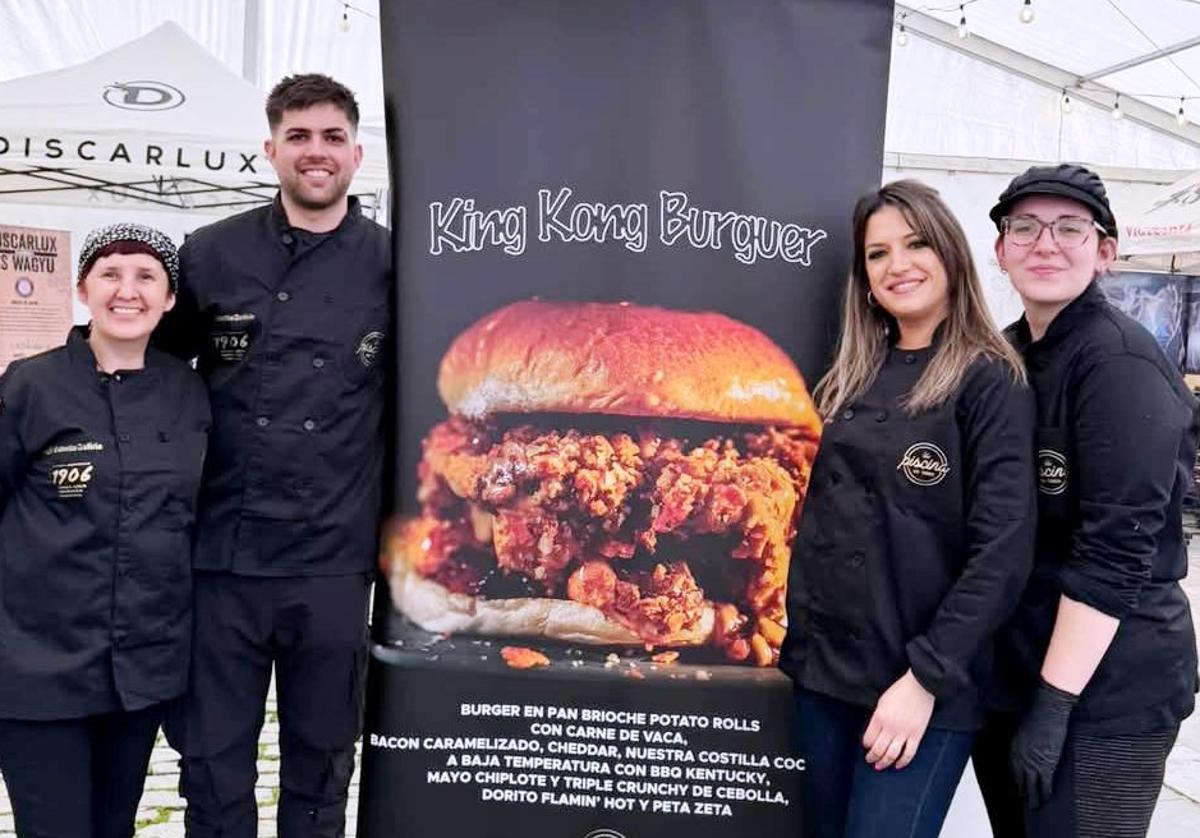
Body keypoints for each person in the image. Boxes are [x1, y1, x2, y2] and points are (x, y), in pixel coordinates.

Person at [157, 73, 391, 838]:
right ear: (270, 149)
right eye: (298, 137)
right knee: (213, 756)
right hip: (220, 550)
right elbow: (160, 382)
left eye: (330, 138)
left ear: (357, 154)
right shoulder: (210, 254)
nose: (314, 153)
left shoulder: (397, 265)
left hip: (332, 555)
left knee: (322, 757)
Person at [780, 179, 1036, 838]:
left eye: (916, 244)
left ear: (951, 256)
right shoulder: (852, 377)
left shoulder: (990, 381)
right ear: (864, 280)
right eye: (878, 253)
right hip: (825, 677)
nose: (899, 265)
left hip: (922, 685)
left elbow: (1002, 555)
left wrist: (922, 680)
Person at [973, 163, 1199, 838]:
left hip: (1109, 689)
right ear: (1001, 249)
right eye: (1026, 227)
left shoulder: (1119, 365)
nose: (1046, 243)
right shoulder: (1009, 355)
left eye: (1070, 228)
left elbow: (1117, 547)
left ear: (1104, 252)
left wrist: (1053, 703)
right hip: (1018, 668)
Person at [0, 223, 210, 838]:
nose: (128, 289)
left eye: (147, 276)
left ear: (170, 299)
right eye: (110, 273)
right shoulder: (29, 385)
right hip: (37, 666)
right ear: (82, 289)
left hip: (141, 669)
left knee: (114, 827)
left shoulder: (189, 392)